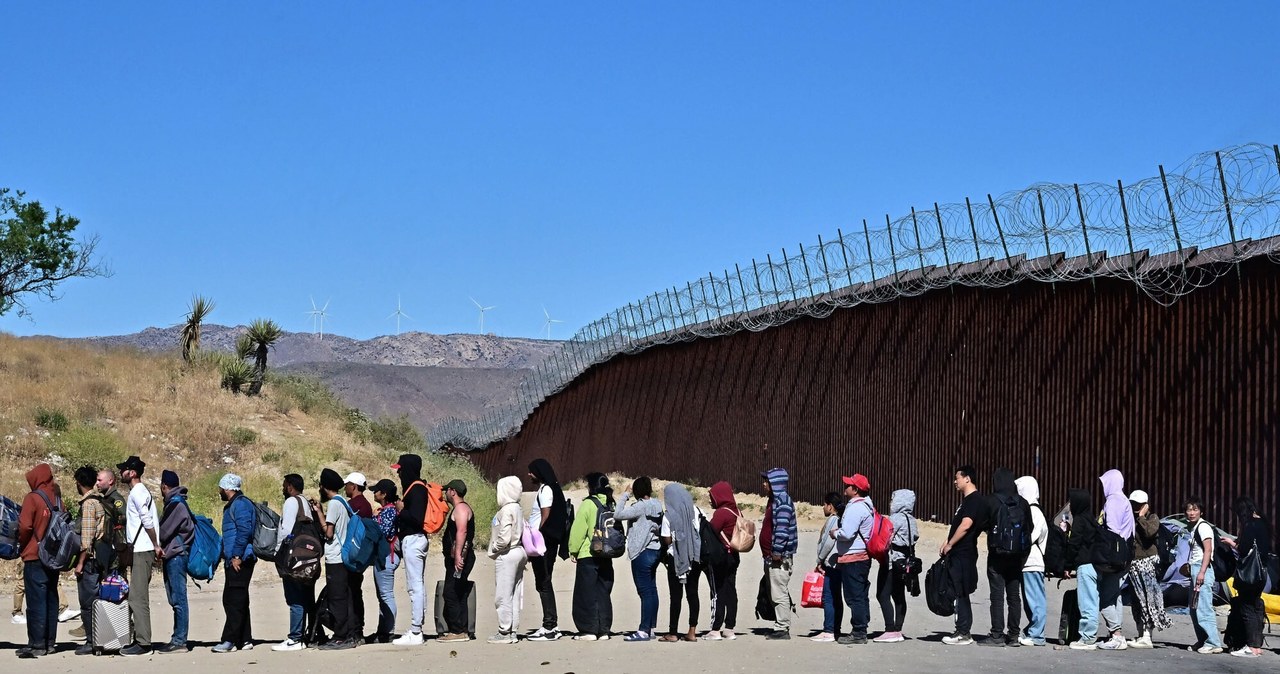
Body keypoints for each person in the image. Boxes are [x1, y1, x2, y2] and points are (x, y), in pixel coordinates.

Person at [1083, 469, 1133, 651]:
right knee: (1114, 597)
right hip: (1124, 556)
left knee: (1104, 598)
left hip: (1114, 557)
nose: (1103, 486)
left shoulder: (1113, 502)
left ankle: (1117, 635)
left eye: (1105, 483)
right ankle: (1115, 635)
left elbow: (1111, 531)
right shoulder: (1123, 500)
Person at [981, 468, 1031, 647]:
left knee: (997, 596)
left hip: (997, 554)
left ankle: (996, 635)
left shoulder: (991, 501)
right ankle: (1014, 635)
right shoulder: (1023, 503)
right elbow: (1029, 527)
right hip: (1017, 556)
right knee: (1014, 596)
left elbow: (983, 523)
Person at [16, 463, 61, 659]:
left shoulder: (32, 498)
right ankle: (50, 643)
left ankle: (36, 644)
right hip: (53, 557)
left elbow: (25, 526)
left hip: (35, 555)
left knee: (35, 601)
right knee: (51, 598)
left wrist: (22, 544)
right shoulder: (57, 499)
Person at [118, 455, 161, 657]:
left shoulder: (137, 492)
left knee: (137, 598)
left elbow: (147, 520)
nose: (121, 473)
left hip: (143, 549)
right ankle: (140, 639)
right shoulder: (139, 492)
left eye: (124, 469)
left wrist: (155, 544)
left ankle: (144, 644)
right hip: (142, 548)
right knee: (136, 596)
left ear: (132, 473)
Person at [941, 465, 988, 646]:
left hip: (963, 553)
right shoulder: (967, 501)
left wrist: (951, 543)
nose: (955, 481)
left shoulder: (974, 501)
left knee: (961, 591)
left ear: (967, 478)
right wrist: (947, 542)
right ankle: (961, 630)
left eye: (957, 478)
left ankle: (963, 632)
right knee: (959, 591)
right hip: (959, 553)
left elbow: (966, 524)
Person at [613, 476, 664, 641]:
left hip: (642, 552)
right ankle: (650, 628)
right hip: (655, 550)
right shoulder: (657, 504)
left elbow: (618, 514)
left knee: (644, 592)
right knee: (652, 590)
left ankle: (643, 630)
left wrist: (625, 495)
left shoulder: (640, 506)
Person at [212, 473, 257, 653]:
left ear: (228, 488)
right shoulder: (236, 504)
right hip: (237, 558)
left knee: (233, 600)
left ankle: (229, 640)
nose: (219, 492)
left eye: (221, 488)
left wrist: (237, 555)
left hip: (241, 559)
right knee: (239, 599)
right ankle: (245, 639)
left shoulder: (240, 504)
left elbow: (244, 530)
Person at [273, 473, 318, 652]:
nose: (283, 488)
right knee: (306, 597)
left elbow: (286, 531)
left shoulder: (291, 502)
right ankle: (307, 635)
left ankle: (295, 638)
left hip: (294, 558)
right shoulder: (306, 503)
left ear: (290, 486)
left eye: (284, 485)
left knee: (294, 598)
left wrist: (278, 552)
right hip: (308, 558)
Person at [1222, 495, 1271, 658]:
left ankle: (1251, 646)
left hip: (1249, 574)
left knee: (1247, 608)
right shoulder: (1263, 523)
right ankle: (1256, 645)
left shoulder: (1250, 525)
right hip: (1262, 573)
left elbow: (1243, 548)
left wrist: (1230, 542)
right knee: (1255, 607)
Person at [569, 472, 615, 641]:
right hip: (607, 553)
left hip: (589, 553)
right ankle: (603, 629)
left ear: (592, 487)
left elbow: (578, 531)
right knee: (603, 592)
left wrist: (573, 550)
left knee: (585, 593)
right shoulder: (611, 504)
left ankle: (588, 630)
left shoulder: (588, 504)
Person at [526, 459, 568, 641]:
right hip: (545, 543)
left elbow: (546, 516)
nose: (529, 475)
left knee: (544, 583)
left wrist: (537, 539)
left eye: (531, 471)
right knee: (543, 583)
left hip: (543, 544)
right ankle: (550, 624)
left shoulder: (546, 490)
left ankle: (549, 626)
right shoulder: (549, 488)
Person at [1125, 489, 1172, 649]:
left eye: (1139, 505)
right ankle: (1140, 634)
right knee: (1136, 600)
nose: (1135, 507)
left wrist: (1141, 517)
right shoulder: (1130, 517)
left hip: (1147, 563)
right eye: (1133, 504)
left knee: (1148, 599)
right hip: (1134, 563)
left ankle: (1147, 636)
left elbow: (1149, 532)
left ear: (1145, 505)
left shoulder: (1152, 518)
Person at [391, 455, 429, 646]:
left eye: (400, 469)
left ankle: (416, 631)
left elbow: (416, 519)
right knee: (417, 585)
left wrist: (400, 509)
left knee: (415, 586)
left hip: (414, 540)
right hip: (413, 540)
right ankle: (417, 628)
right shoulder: (414, 488)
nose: (398, 472)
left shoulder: (417, 490)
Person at [659, 482, 705, 643]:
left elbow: (667, 539)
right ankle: (692, 631)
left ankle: (673, 633)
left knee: (676, 596)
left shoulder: (669, 515)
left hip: (676, 558)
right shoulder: (697, 510)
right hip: (694, 557)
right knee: (693, 594)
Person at [832, 473, 874, 645]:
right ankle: (861, 627)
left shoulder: (856, 508)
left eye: (849, 485)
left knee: (854, 596)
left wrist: (834, 533)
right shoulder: (866, 506)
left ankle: (858, 631)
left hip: (854, 559)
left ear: (855, 490)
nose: (845, 487)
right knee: (860, 595)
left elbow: (847, 533)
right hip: (860, 557)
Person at [156, 470, 194, 654]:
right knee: (176, 598)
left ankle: (179, 640)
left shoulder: (175, 505)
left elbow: (163, 533)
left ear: (164, 486)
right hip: (175, 555)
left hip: (177, 556)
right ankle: (178, 637)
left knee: (179, 598)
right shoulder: (177, 502)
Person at [319, 468, 357, 651]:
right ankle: (349, 634)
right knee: (345, 596)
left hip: (335, 557)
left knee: (337, 599)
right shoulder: (343, 502)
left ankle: (340, 636)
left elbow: (329, 532)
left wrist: (320, 518)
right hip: (345, 556)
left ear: (323, 487)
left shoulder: (334, 503)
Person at [1182, 496, 1224, 654]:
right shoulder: (1192, 527)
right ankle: (1202, 640)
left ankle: (1213, 642)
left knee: (1203, 607)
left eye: (1195, 509)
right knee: (1194, 607)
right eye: (1189, 509)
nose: (1191, 513)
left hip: (1203, 569)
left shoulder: (1203, 527)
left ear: (1201, 511)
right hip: (1195, 568)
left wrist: (1201, 572)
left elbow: (1208, 550)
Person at [488, 475, 527, 644]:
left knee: (503, 595)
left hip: (508, 553)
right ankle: (512, 630)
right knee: (514, 593)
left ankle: (504, 631)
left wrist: (495, 549)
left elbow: (504, 537)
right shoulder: (517, 508)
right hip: (519, 551)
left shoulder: (506, 510)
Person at [72, 466, 106, 656]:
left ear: (79, 482)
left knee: (88, 603)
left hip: (90, 560)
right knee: (97, 600)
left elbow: (86, 539)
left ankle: (92, 641)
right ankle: (100, 639)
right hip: (101, 558)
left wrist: (80, 563)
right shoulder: (100, 500)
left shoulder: (88, 505)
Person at [877, 488, 918, 644]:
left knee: (882, 594)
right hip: (905, 563)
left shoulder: (894, 519)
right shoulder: (912, 520)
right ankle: (898, 629)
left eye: (893, 499)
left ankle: (890, 629)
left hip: (892, 562)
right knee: (899, 596)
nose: (890, 503)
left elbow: (886, 539)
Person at [762, 468, 798, 640]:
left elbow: (782, 530)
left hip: (779, 557)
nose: (764, 484)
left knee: (779, 592)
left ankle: (782, 627)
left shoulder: (782, 501)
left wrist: (777, 551)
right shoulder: (774, 500)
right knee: (774, 590)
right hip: (771, 555)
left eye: (767, 481)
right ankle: (779, 624)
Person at [1065, 487, 1102, 650]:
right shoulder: (1090, 519)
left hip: (1085, 566)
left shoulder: (1080, 520)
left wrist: (1067, 565)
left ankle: (1087, 637)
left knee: (1087, 603)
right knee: (1093, 601)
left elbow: (1074, 544)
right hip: (1095, 565)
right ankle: (1089, 635)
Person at [439, 479, 475, 643]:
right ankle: (463, 629)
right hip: (459, 558)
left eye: (447, 490)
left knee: (450, 592)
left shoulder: (460, 508)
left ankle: (457, 630)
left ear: (453, 491)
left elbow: (462, 531)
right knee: (459, 592)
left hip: (460, 558)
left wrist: (458, 556)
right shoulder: (462, 508)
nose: (445, 493)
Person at [1015, 476, 1049, 647]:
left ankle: (1037, 634)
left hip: (1032, 561)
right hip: (1027, 562)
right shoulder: (1030, 509)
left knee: (1035, 599)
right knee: (1030, 599)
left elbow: (1030, 537)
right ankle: (1032, 630)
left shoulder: (1034, 512)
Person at [704, 481, 740, 641]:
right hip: (734, 555)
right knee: (731, 590)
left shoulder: (721, 513)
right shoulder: (737, 511)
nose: (711, 500)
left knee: (718, 591)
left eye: (712, 497)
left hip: (722, 556)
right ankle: (730, 628)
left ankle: (715, 629)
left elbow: (710, 532)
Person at [370, 479, 401, 644]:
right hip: (386, 557)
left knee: (386, 595)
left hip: (387, 557)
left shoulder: (389, 512)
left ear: (384, 494)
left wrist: (374, 519)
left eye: (376, 491)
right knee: (383, 595)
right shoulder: (388, 510)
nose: (374, 493)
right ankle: (383, 631)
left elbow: (383, 533)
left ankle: (388, 632)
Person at [811, 492, 844, 643]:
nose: (823, 507)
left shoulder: (833, 520)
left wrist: (819, 559)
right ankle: (835, 628)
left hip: (832, 563)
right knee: (837, 597)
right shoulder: (841, 519)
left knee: (829, 597)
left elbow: (827, 543)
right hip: (840, 563)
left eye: (824, 504)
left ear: (830, 506)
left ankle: (829, 630)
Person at [343, 472, 371, 639]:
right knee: (355, 591)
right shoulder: (365, 504)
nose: (345, 487)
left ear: (353, 486)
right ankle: (357, 629)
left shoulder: (354, 505)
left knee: (350, 592)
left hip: (352, 554)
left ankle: (354, 630)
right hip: (360, 554)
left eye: (347, 484)